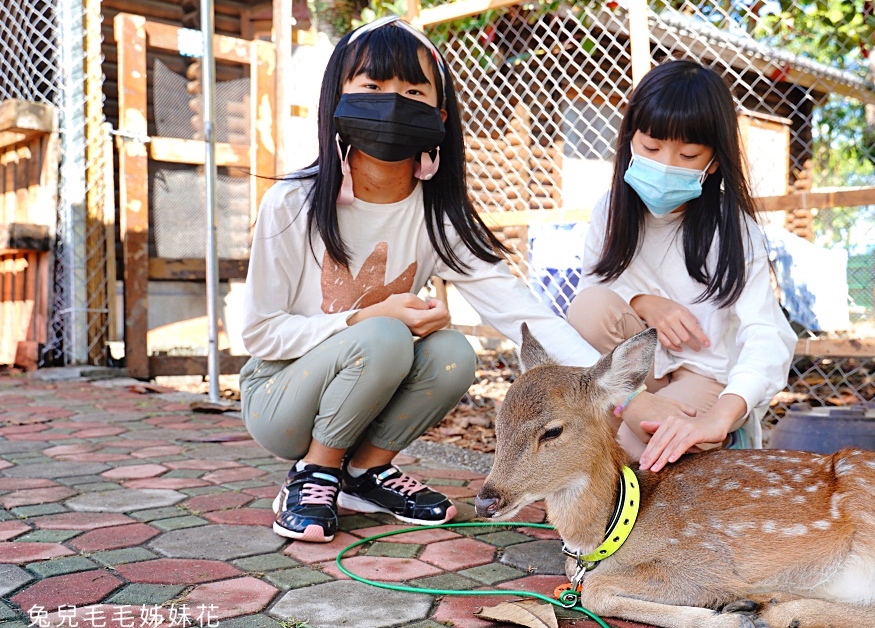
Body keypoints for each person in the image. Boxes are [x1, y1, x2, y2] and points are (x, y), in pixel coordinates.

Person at [240, 16, 599, 543]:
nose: (392, 103)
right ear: (336, 100)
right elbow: (259, 334)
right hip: (279, 397)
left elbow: (522, 311)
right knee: (385, 336)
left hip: (364, 393)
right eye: (372, 87)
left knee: (453, 351)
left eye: (413, 90)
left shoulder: (437, 218)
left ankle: (365, 474)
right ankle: (313, 473)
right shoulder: (293, 204)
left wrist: (617, 393)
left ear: (440, 114)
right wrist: (367, 317)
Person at [569, 60, 798, 473]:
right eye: (651, 148)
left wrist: (723, 414)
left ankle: (718, 436)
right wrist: (643, 302)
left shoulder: (735, 229)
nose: (666, 165)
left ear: (713, 163)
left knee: (630, 457)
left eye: (688, 154)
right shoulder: (611, 209)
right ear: (629, 143)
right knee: (588, 306)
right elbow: (591, 298)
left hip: (705, 375)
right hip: (635, 371)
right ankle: (638, 416)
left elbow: (767, 333)